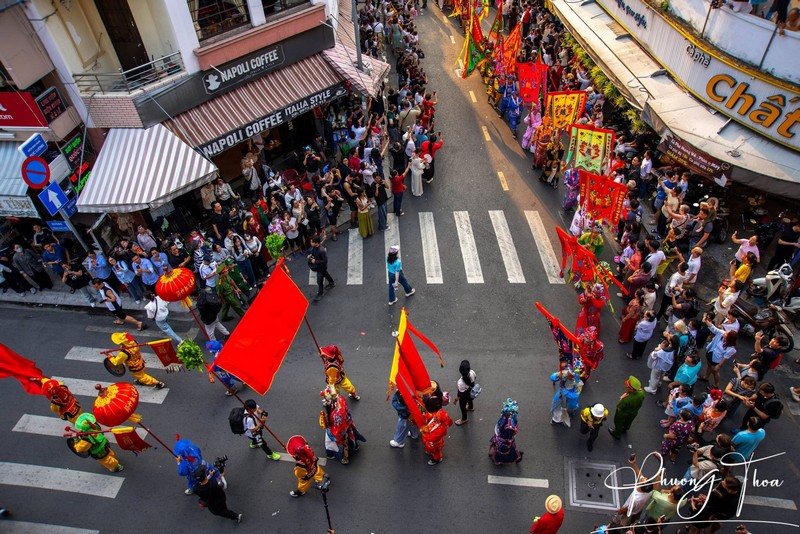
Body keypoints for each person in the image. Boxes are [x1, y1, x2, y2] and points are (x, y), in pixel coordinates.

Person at [319, 385, 365, 465]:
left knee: (336, 443)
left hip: (339, 429)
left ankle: (343, 457)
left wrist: (335, 431)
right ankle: (354, 446)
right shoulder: (340, 399)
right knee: (351, 435)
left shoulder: (335, 413)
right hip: (347, 423)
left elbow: (336, 425)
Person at [699, 316, 737, 387]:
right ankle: (706, 377)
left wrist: (719, 366)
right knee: (709, 365)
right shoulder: (722, 333)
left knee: (715, 371)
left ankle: (716, 384)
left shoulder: (731, 349)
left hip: (716, 359)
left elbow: (725, 357)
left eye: (726, 334)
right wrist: (706, 320)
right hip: (711, 352)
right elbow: (713, 328)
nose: (724, 333)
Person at [489, 398, 523, 464]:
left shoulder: (510, 425)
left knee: (501, 450)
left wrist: (509, 443)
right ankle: (517, 457)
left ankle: (498, 460)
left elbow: (510, 435)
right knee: (508, 449)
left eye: (506, 413)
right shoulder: (506, 418)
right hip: (500, 435)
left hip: (504, 439)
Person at [308, 235, 335, 302]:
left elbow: (325, 260)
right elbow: (313, 252)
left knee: (319, 280)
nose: (311, 243)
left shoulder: (321, 250)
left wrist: (315, 261)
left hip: (321, 267)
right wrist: (311, 255)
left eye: (312, 242)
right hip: (319, 267)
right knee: (326, 274)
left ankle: (320, 293)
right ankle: (332, 283)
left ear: (316, 243)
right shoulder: (314, 247)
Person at [455, 359, 477, 426]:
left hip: (464, 396)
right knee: (470, 398)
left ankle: (464, 418)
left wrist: (456, 399)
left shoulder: (460, 382)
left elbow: (460, 393)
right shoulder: (472, 372)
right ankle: (470, 407)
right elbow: (475, 378)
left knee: (462, 406)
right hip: (472, 391)